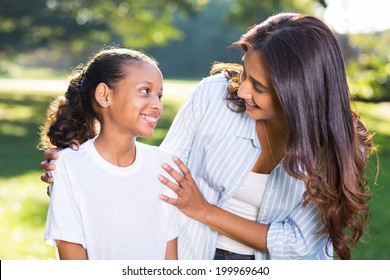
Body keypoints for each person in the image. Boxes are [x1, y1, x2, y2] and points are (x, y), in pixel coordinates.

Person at [40, 13, 375, 260]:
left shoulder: (339, 145)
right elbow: (162, 176)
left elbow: (299, 244)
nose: (242, 89)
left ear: (298, 93)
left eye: (259, 87)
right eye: (245, 72)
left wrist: (203, 209)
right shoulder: (214, 97)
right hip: (194, 255)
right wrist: (82, 169)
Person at [39, 47, 179, 260]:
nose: (157, 105)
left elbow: (170, 260)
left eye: (159, 95)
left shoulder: (165, 166)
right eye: (145, 91)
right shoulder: (67, 166)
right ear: (104, 95)